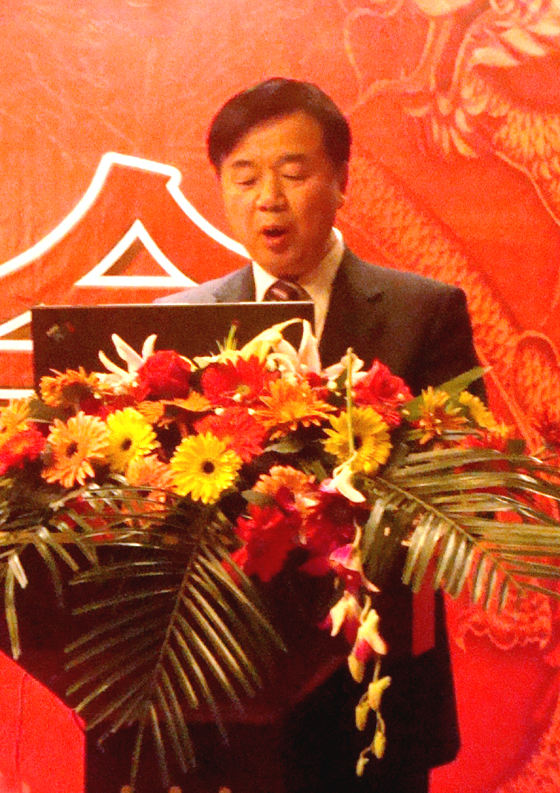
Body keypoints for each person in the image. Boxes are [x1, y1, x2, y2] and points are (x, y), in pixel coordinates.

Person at [154, 78, 482, 793]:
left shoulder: (423, 311)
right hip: (221, 678)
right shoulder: (177, 325)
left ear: (342, 180)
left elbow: (462, 483)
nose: (268, 198)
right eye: (244, 177)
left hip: (375, 680)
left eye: (293, 173)